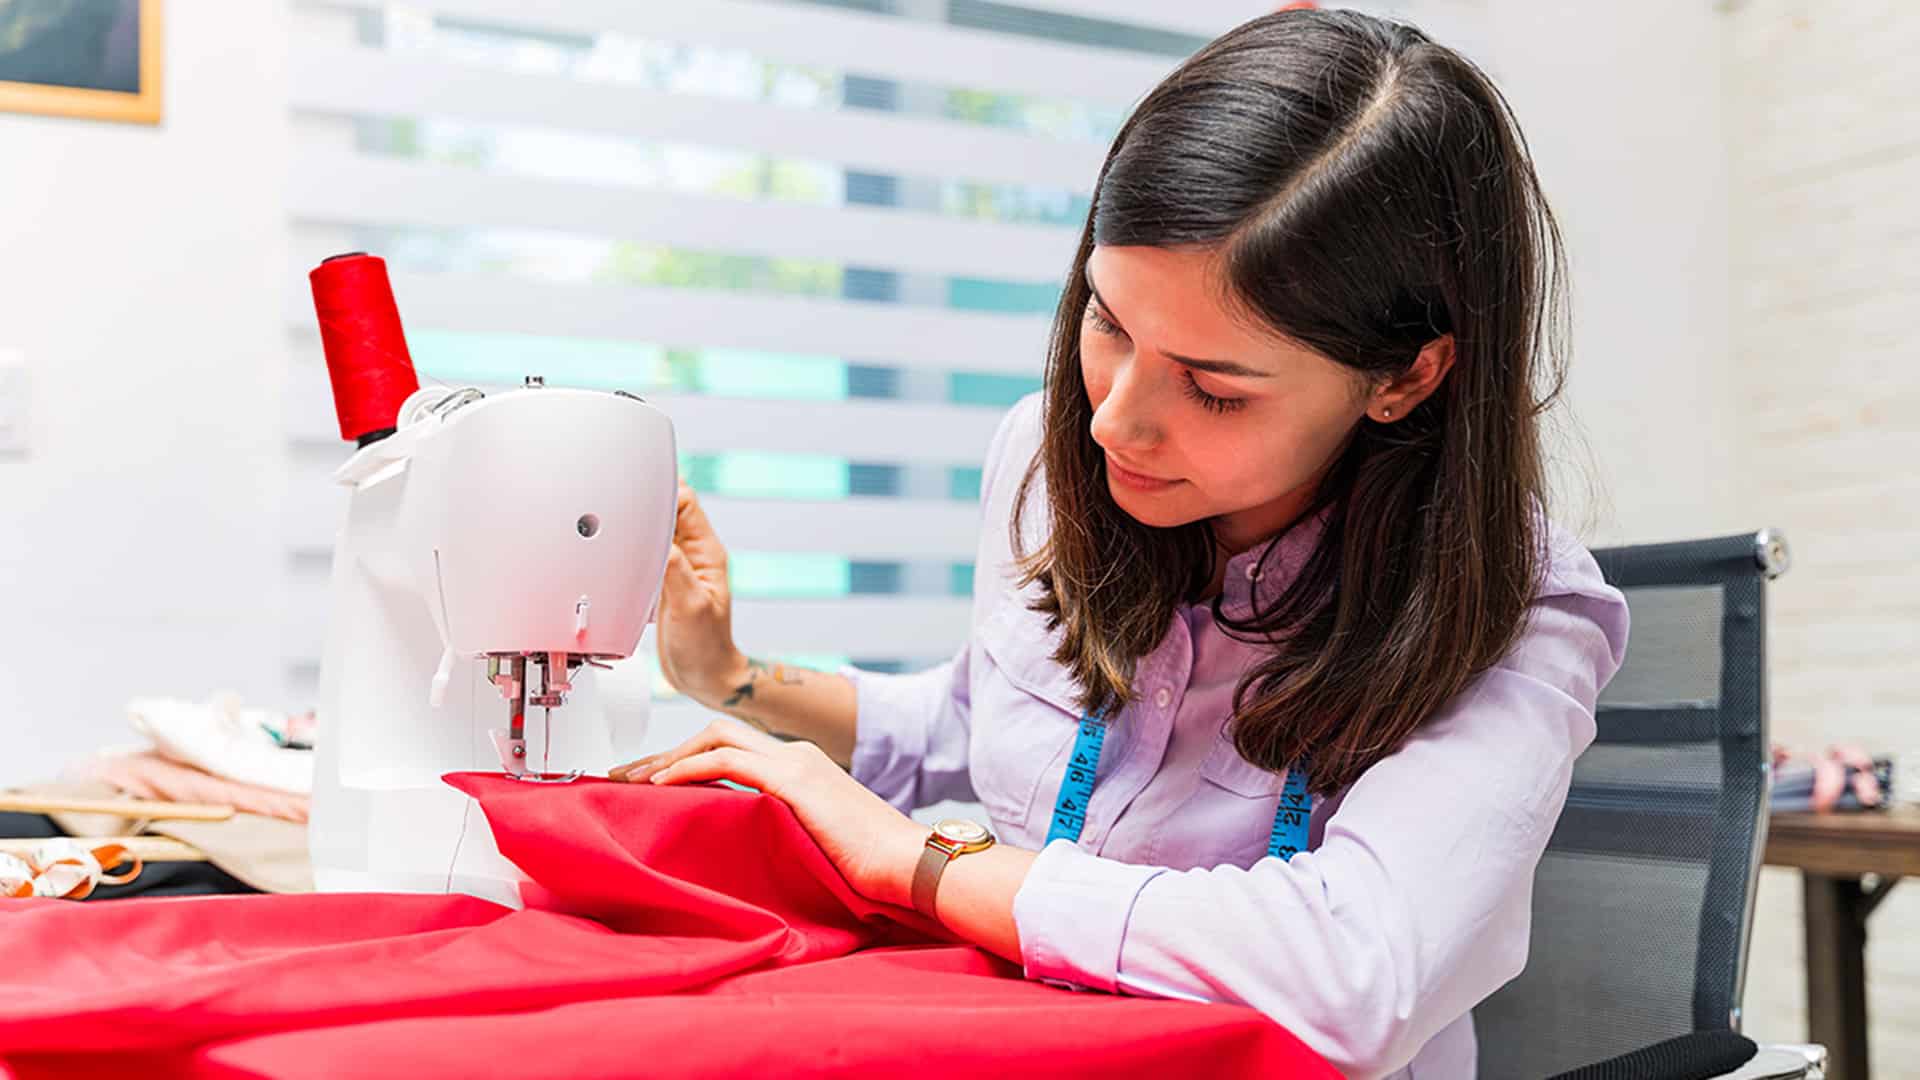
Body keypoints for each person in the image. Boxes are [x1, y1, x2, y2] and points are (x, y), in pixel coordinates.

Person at [610, 9, 1629, 1078]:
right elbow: (974, 719)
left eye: (1213, 388)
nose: (1113, 423)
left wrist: (926, 864)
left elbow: (1354, 973)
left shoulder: (1521, 611)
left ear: (1406, 376)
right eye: (1108, 323)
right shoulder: (1048, 460)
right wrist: (730, 677)